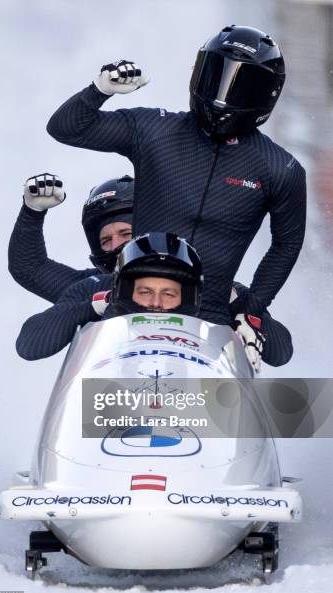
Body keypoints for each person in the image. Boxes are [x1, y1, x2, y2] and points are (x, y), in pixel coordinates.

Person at [46, 25, 306, 358]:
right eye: (217, 76)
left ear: (266, 95)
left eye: (240, 86)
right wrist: (99, 90)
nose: (223, 96)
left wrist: (252, 308)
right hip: (132, 304)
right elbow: (65, 128)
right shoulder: (154, 130)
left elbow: (286, 243)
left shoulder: (279, 169)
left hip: (210, 315)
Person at [16, 233, 292, 372]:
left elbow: (281, 354)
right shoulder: (94, 290)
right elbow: (29, 346)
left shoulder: (225, 295)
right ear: (124, 291)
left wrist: (250, 314)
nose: (156, 303)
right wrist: (91, 308)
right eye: (145, 292)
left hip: (203, 402)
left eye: (169, 294)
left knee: (308, 410)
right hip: (107, 404)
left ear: (189, 296)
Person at [8, 173, 133, 303]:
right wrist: (32, 212)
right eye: (106, 240)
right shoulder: (92, 287)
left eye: (125, 234)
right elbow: (28, 269)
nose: (115, 245)